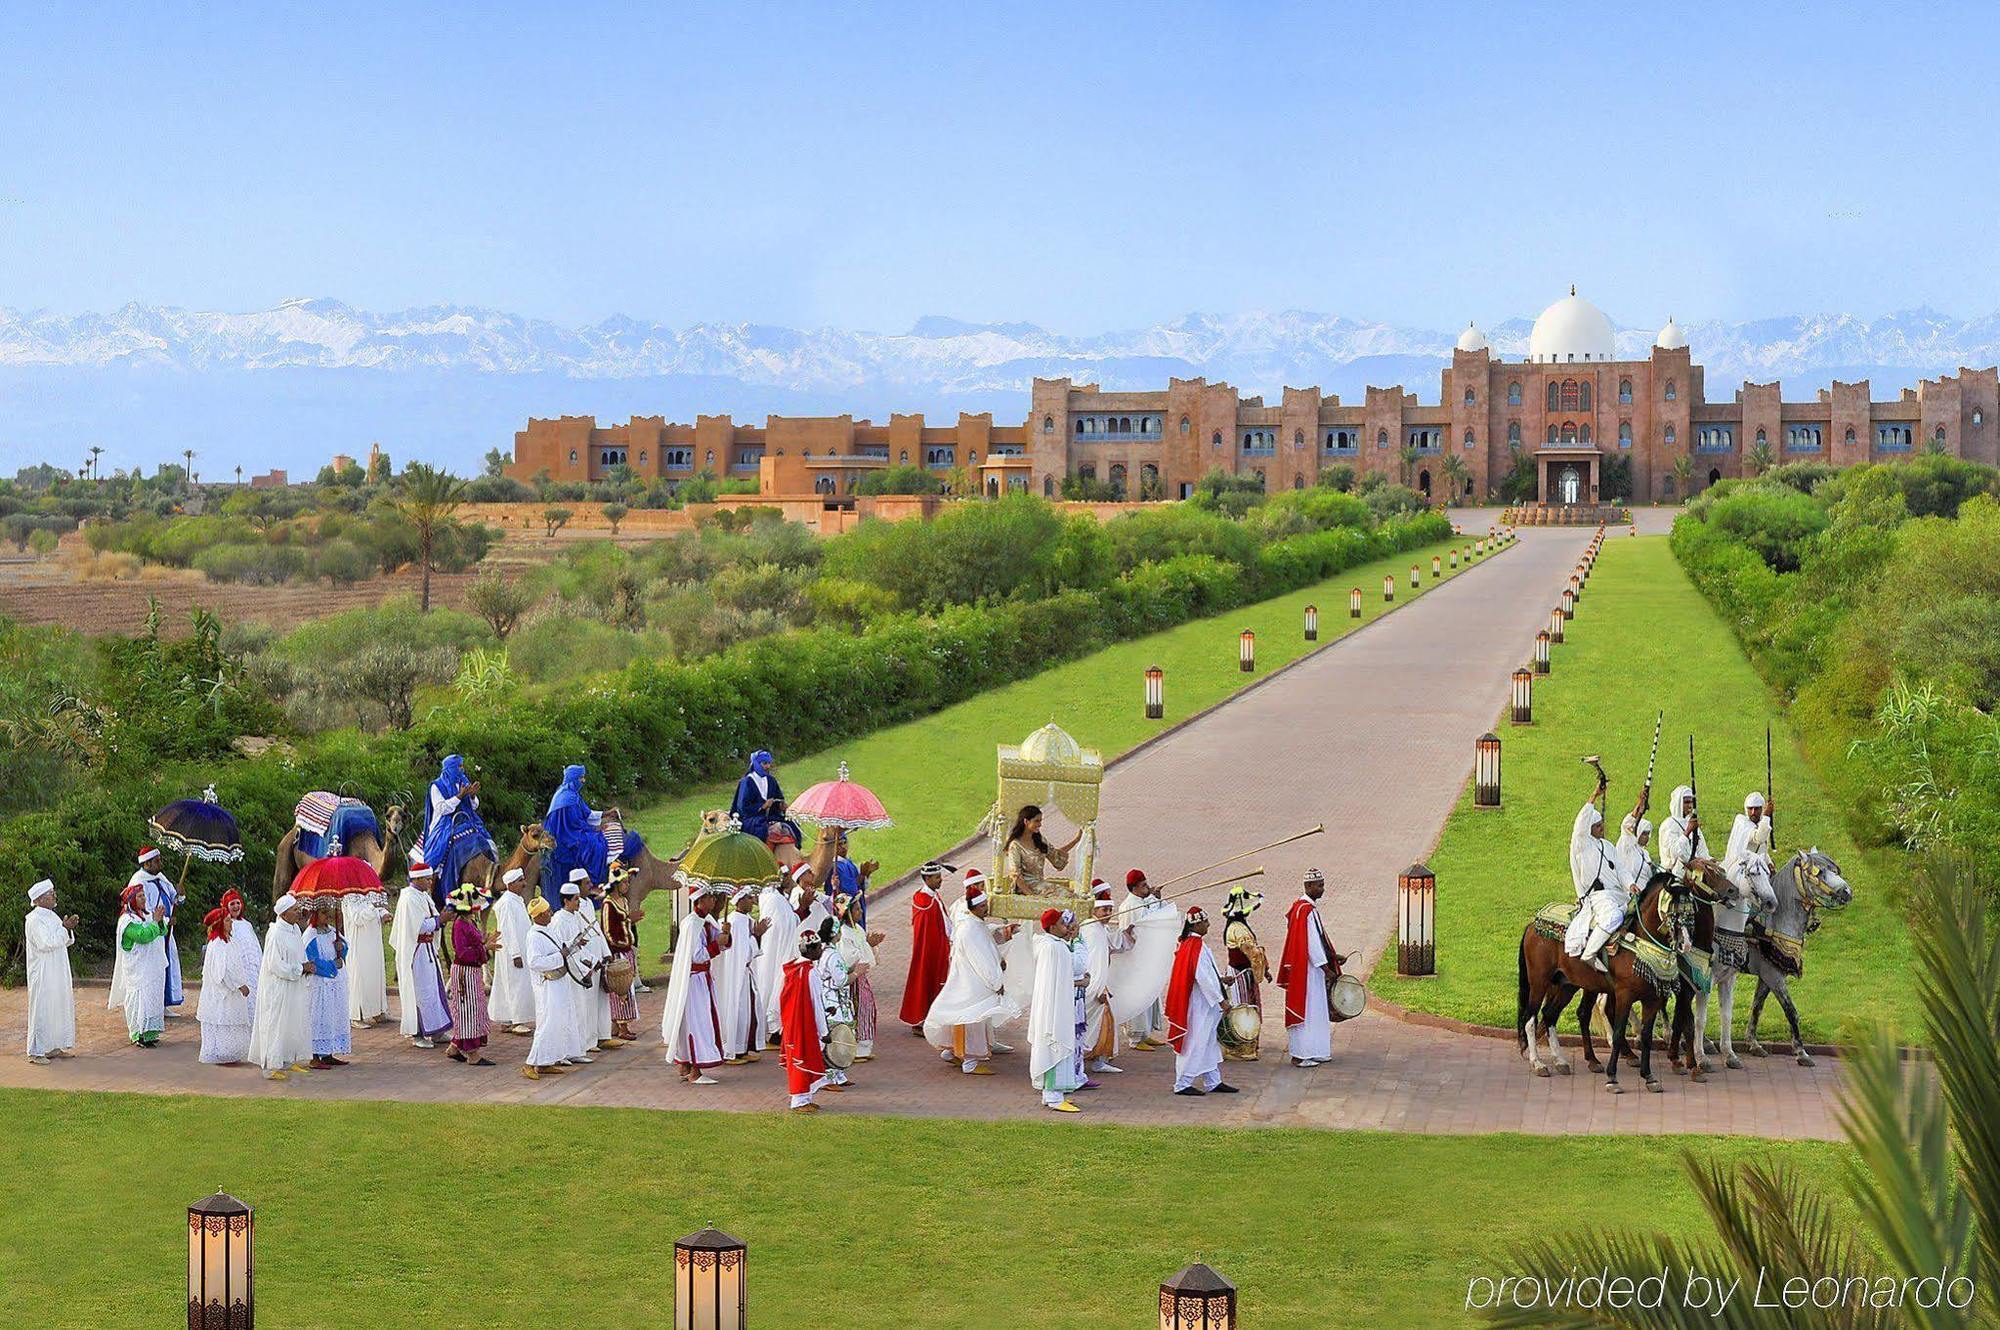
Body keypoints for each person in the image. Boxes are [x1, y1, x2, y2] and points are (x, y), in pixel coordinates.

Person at [922, 870, 1020, 1074]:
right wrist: (996, 982)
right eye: (983, 907)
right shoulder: (970, 927)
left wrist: (1006, 931)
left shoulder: (974, 922)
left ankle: (951, 1051)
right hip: (973, 982)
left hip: (966, 978)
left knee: (963, 1014)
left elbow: (989, 938)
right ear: (974, 907)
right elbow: (981, 958)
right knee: (973, 1018)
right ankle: (970, 1061)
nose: (986, 909)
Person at [541, 764, 648, 907]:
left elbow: (586, 813)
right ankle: (594, 884)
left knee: (603, 833)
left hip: (574, 830)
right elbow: (573, 824)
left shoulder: (573, 794)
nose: (583, 781)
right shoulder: (566, 799)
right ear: (573, 779)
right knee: (596, 845)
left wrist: (605, 814)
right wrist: (595, 828)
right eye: (580, 778)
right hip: (566, 836)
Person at [1564, 765, 1635, 970]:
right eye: (1596, 826)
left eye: (1602, 824)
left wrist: (1630, 884)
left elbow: (1620, 869)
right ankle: (1590, 953)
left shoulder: (1608, 846)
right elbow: (1580, 824)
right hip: (1597, 897)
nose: (1601, 828)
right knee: (1613, 916)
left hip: (1618, 894)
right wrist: (1594, 795)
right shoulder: (1581, 844)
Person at [1163, 907, 1236, 1096]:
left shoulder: (1194, 945)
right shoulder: (1194, 946)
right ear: (1196, 923)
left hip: (1205, 1005)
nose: (1208, 925)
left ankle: (1213, 1080)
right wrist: (1221, 1001)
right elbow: (1202, 978)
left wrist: (1220, 979)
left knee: (1208, 1042)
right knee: (1195, 1042)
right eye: (1205, 922)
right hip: (1200, 1005)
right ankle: (1182, 1082)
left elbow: (1206, 974)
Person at [660, 884, 728, 1085]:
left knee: (695, 1021)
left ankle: (686, 1064)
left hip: (702, 980)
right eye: (709, 897)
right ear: (700, 900)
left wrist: (724, 935)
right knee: (698, 1022)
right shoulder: (691, 924)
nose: (713, 901)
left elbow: (717, 940)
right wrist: (717, 944)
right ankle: (695, 1070)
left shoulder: (705, 921)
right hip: (694, 982)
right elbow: (696, 956)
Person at [1277, 870, 1341, 1068]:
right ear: (1308, 887)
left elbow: (1318, 938)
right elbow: (1312, 944)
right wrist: (1326, 969)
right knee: (1308, 1010)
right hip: (1308, 971)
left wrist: (1333, 956)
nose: (1322, 889)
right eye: (1319, 886)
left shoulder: (1302, 908)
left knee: (1317, 1010)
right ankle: (1302, 1054)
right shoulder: (1305, 910)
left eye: (1322, 884)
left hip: (1307, 968)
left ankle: (1317, 1051)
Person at [247, 895, 314, 1081]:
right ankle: (272, 1066)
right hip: (279, 987)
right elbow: (275, 965)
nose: (298, 912)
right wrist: (301, 969)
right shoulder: (276, 933)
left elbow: (298, 955)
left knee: (292, 1022)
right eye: (294, 909)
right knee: (276, 1024)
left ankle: (288, 1059)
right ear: (284, 914)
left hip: (294, 986)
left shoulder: (294, 930)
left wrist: (306, 966)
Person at [760, 865, 830, 1043]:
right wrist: (803, 907)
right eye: (783, 875)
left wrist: (803, 909)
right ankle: (778, 1030)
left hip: (786, 948)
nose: (787, 878)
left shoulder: (779, 898)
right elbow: (787, 923)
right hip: (783, 950)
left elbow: (790, 920)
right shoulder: (774, 899)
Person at [1028, 908, 1085, 1113]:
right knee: (1056, 1044)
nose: (1066, 926)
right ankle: (1053, 1095)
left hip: (1051, 1004)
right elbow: (1078, 965)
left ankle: (1051, 1093)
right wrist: (1078, 941)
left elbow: (1063, 973)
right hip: (1055, 1007)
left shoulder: (1047, 944)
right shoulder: (1056, 949)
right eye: (1062, 923)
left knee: (1051, 1045)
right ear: (1052, 927)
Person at [391, 861, 453, 1048]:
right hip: (415, 952)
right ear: (417, 879)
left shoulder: (423, 896)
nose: (430, 882)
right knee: (419, 991)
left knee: (433, 989)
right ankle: (418, 1034)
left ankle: (436, 1031)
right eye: (427, 879)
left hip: (427, 951)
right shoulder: (409, 898)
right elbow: (418, 926)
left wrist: (441, 918)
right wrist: (440, 920)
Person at [420, 754, 494, 904]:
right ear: (450, 768)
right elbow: (441, 809)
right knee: (439, 851)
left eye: (462, 766)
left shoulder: (463, 781)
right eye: (459, 766)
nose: (462, 769)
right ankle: (434, 879)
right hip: (445, 823)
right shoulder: (437, 786)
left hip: (465, 819)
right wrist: (459, 797)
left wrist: (472, 796)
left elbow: (473, 807)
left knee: (484, 839)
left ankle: (492, 874)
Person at [1117, 868, 1174, 1049]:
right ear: (1134, 888)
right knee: (1137, 994)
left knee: (1149, 993)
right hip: (1136, 957)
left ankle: (1145, 1033)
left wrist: (1155, 899)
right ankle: (1135, 1038)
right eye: (1143, 885)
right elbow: (1130, 931)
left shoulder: (1142, 901)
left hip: (1148, 955)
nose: (1147, 887)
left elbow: (1155, 917)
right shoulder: (1128, 906)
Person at [1077, 883, 1130, 1074]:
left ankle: (1099, 1059)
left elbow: (1114, 944)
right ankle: (1088, 1059)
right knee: (1090, 1024)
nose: (1108, 913)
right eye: (1104, 910)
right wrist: (1098, 988)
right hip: (1093, 987)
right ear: (1094, 909)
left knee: (1103, 1022)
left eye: (1110, 909)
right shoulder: (1090, 929)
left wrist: (1130, 931)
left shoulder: (1100, 927)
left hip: (1098, 985)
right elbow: (1092, 962)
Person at [23, 880, 77, 1065]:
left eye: (54, 892)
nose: (54, 896)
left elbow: (66, 941)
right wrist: (65, 929)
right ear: (38, 899)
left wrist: (66, 929)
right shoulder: (34, 920)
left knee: (58, 1004)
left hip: (58, 968)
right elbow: (45, 943)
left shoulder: (52, 916)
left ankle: (53, 1046)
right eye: (50, 893)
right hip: (43, 971)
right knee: (42, 1008)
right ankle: (36, 1051)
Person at [522, 896, 577, 1080]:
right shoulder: (534, 936)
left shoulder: (549, 930)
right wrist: (559, 957)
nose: (550, 914)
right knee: (546, 1024)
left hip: (558, 981)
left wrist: (573, 946)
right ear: (538, 916)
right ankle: (530, 1063)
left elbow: (560, 950)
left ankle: (546, 1062)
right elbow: (535, 962)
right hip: (546, 986)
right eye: (546, 912)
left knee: (557, 1022)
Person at [126, 847, 184, 1014]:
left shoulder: (161, 877)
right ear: (147, 863)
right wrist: (165, 920)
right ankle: (152, 1006)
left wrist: (180, 894)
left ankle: (164, 1003)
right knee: (153, 968)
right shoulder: (138, 881)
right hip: (151, 929)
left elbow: (175, 899)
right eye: (157, 861)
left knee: (166, 963)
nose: (161, 863)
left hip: (166, 931)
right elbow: (139, 908)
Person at [779, 925, 830, 1113]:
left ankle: (805, 1096)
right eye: (818, 947)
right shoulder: (810, 973)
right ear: (811, 950)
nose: (821, 950)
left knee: (799, 1058)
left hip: (792, 1021)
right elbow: (816, 1003)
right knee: (804, 1058)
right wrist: (824, 1031)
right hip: (805, 1023)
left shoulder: (793, 969)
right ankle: (799, 1099)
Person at [898, 861, 954, 1033]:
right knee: (926, 981)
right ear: (927, 878)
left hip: (938, 947)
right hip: (929, 951)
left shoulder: (931, 896)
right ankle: (922, 1020)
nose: (941, 880)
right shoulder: (924, 901)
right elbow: (928, 930)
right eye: (937, 877)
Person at [1221, 883, 1273, 1062]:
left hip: (1242, 973)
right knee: (1242, 1009)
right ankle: (1241, 1047)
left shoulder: (1236, 927)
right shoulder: (1239, 930)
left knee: (1246, 1008)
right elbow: (1254, 953)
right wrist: (1264, 969)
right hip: (1239, 975)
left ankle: (1244, 1045)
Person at [445, 885, 495, 1066]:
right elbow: (462, 952)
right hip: (464, 972)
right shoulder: (460, 925)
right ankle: (472, 1054)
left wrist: (484, 944)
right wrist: (484, 948)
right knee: (469, 1010)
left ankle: (455, 1047)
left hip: (471, 972)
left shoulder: (468, 922)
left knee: (473, 1008)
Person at [196, 906, 253, 1066]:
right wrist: (239, 985)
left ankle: (230, 1053)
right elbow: (224, 972)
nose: (231, 923)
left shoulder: (229, 941)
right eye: (227, 920)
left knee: (230, 1019)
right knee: (222, 1018)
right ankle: (221, 1053)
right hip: (223, 993)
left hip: (232, 993)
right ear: (219, 924)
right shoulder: (218, 944)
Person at [114, 886, 169, 1048]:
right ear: (131, 900)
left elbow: (161, 932)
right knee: (140, 1000)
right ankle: (138, 1034)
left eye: (144, 895)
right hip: (138, 970)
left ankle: (151, 1033)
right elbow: (142, 936)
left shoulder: (147, 915)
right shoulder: (127, 921)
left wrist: (159, 923)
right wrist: (156, 922)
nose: (144, 899)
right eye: (139, 896)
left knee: (153, 999)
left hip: (153, 967)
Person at [832, 892, 884, 1061]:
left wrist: (871, 946)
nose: (860, 911)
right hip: (852, 981)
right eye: (856, 909)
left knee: (867, 1010)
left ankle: (864, 1047)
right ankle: (853, 1049)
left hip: (862, 979)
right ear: (847, 913)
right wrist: (868, 946)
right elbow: (849, 959)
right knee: (856, 1011)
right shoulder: (844, 934)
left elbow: (865, 954)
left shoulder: (857, 929)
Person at [716, 888, 763, 1064]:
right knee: (738, 1008)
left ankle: (743, 1048)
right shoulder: (734, 922)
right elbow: (743, 952)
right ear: (740, 900)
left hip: (745, 973)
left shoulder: (747, 920)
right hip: (736, 974)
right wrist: (756, 936)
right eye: (749, 898)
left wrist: (756, 935)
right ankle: (733, 1050)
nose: (752, 901)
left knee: (749, 1009)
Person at [574, 873, 620, 1051]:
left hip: (598, 958)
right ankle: (588, 1041)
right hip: (587, 963)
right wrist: (590, 961)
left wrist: (605, 953)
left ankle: (603, 1035)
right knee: (587, 1002)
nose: (590, 885)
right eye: (586, 883)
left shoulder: (587, 904)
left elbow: (597, 930)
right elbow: (576, 941)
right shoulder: (573, 910)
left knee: (602, 999)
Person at [488, 867, 536, 1036]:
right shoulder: (508, 903)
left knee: (510, 984)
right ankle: (517, 1020)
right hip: (512, 951)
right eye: (520, 881)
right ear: (510, 884)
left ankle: (507, 1019)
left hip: (519, 949)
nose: (524, 883)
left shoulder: (515, 899)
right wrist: (515, 954)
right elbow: (508, 930)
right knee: (516, 984)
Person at [303, 903, 351, 1069]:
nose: (327, 916)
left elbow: (345, 947)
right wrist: (332, 965)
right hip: (320, 984)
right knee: (318, 1017)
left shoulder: (332, 931)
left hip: (335, 984)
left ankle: (328, 1053)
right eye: (324, 913)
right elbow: (312, 960)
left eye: (328, 913)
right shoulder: (310, 935)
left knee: (332, 1017)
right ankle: (315, 1055)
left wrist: (341, 948)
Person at [812, 919, 855, 1093]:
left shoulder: (822, 951)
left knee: (837, 1035)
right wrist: (857, 972)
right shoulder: (832, 954)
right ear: (836, 933)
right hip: (833, 1001)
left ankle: (838, 1075)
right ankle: (828, 1077)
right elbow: (841, 980)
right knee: (835, 1035)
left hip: (826, 997)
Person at [341, 885, 393, 1028]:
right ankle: (356, 1015)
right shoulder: (349, 896)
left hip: (373, 941)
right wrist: (373, 906)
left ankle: (378, 1011)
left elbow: (375, 910)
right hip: (359, 944)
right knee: (359, 977)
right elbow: (357, 918)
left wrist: (383, 913)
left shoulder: (368, 893)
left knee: (376, 975)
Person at [1002, 804, 1080, 896]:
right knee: (1067, 895)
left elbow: (1055, 855)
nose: (1040, 824)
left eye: (1040, 821)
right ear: (1026, 821)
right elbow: (1016, 875)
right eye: (1036, 821)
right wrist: (1032, 896)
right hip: (1025, 888)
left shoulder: (1039, 840)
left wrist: (1076, 840)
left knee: (1072, 893)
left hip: (1040, 885)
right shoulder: (1015, 845)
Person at [731, 750, 801, 849]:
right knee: (761, 829)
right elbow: (742, 808)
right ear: (756, 763)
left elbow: (778, 797)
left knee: (792, 824)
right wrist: (762, 806)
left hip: (770, 816)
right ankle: (762, 854)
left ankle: (797, 851)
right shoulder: (747, 782)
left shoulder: (771, 780)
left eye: (769, 763)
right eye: (764, 763)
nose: (767, 766)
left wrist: (781, 805)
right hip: (751, 818)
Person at [603, 872, 643, 1043]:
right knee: (621, 989)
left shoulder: (624, 901)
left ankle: (616, 1024)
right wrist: (628, 919)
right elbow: (608, 930)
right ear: (616, 884)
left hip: (626, 949)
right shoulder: (608, 904)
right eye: (624, 882)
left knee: (627, 988)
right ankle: (622, 1026)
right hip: (617, 951)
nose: (627, 885)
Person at [1724, 792, 1778, 918]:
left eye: (1757, 809)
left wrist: (1768, 862)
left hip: (1758, 869)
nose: (1753, 812)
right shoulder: (1742, 823)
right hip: (1741, 871)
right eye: (1750, 809)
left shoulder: (1760, 824)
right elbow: (1759, 838)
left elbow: (1761, 848)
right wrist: (1766, 816)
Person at [221, 889, 263, 1007]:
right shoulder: (226, 924)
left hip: (252, 968)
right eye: (232, 904)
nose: (236, 906)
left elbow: (255, 946)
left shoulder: (247, 924)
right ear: (226, 907)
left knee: (254, 998)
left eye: (238, 903)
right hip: (239, 968)